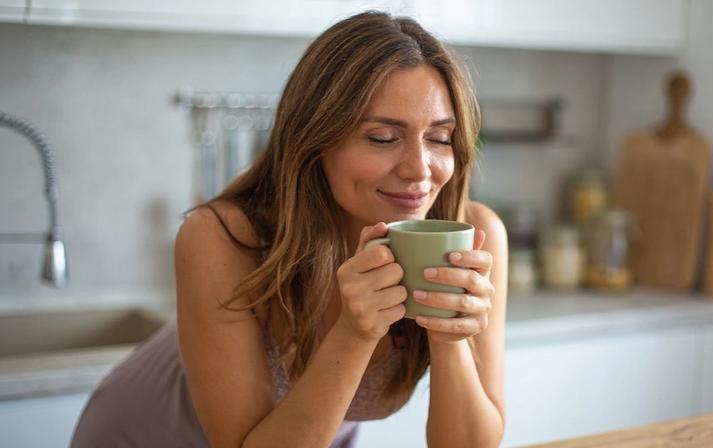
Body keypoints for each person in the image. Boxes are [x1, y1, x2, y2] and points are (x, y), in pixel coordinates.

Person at [71, 10, 507, 448]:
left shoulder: (475, 234)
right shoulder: (220, 238)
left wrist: (451, 339)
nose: (420, 170)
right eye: (381, 137)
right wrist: (354, 334)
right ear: (315, 139)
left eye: (440, 138)